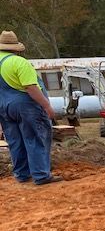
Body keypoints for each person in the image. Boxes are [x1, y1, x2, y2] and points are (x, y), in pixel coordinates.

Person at [0, 30, 60, 185]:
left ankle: (22, 174)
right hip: (25, 106)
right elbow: (31, 87)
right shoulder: (19, 62)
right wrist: (47, 106)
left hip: (4, 107)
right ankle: (41, 175)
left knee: (15, 141)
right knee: (35, 137)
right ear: (16, 48)